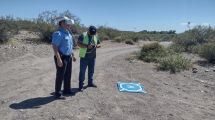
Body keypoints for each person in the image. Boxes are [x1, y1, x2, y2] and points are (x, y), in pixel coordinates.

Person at [52, 16, 76, 98]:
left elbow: (69, 46)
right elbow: (55, 46)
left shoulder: (68, 33)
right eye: (67, 24)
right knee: (60, 75)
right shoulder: (58, 33)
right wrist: (58, 59)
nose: (69, 25)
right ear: (62, 23)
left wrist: (73, 55)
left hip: (68, 57)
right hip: (61, 57)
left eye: (69, 24)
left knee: (68, 74)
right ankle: (57, 93)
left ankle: (67, 90)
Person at [78, 26, 101, 91]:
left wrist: (96, 46)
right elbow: (78, 44)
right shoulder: (83, 35)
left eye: (93, 33)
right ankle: (80, 86)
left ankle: (90, 83)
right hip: (84, 57)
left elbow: (99, 44)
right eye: (91, 33)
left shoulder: (95, 35)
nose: (92, 34)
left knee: (91, 71)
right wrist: (87, 46)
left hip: (92, 57)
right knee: (82, 71)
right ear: (88, 30)